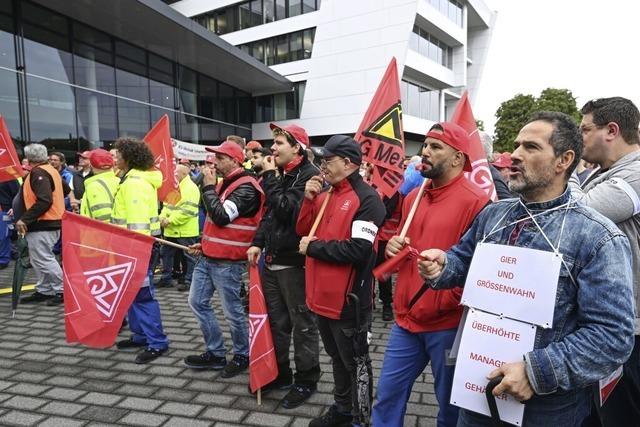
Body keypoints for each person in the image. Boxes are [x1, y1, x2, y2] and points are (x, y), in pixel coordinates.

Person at [417, 111, 635, 426]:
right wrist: (443, 266)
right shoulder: (494, 215)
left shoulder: (598, 237)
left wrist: (536, 371)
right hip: (477, 390)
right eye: (517, 145)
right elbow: (463, 259)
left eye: (531, 147)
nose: (515, 155)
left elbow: (612, 337)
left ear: (564, 160)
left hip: (545, 411)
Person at [372, 122, 490, 427]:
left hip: (448, 324)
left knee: (450, 406)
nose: (425, 152)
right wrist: (392, 249)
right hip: (406, 320)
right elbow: (402, 252)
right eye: (425, 145)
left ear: (457, 159)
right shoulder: (414, 197)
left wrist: (447, 291)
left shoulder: (478, 202)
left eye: (435, 147)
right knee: (387, 396)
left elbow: (482, 267)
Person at [296, 135, 385, 427]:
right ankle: (342, 409)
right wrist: (308, 200)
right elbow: (303, 229)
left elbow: (359, 250)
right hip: (320, 297)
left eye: (327, 160)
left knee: (356, 363)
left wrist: (315, 248)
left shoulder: (368, 199)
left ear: (348, 163)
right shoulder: (326, 194)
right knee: (336, 358)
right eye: (321, 160)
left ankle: (361, 418)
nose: (322, 166)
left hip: (349, 302)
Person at [571, 97, 640, 427]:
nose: (579, 136)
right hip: (606, 322)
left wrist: (564, 164)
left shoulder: (637, 172)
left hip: (631, 330)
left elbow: (579, 211)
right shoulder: (607, 172)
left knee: (621, 415)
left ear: (611, 130)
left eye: (584, 129)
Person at [246, 123, 321, 408]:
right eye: (274, 143)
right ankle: (280, 372)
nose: (273, 148)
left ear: (297, 148)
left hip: (295, 264)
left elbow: (288, 210)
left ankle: (307, 378)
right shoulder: (282, 174)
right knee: (277, 323)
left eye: (278, 143)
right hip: (273, 260)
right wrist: (258, 242)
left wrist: (268, 177)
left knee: (302, 324)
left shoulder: (310, 176)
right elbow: (270, 214)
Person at [184, 140, 264, 379]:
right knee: (197, 302)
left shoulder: (247, 187)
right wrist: (205, 243)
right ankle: (216, 352)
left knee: (233, 312)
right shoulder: (225, 184)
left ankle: (242, 355)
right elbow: (217, 225)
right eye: (214, 158)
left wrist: (207, 188)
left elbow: (220, 217)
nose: (213, 163)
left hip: (228, 263)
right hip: (209, 257)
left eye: (219, 158)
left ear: (235, 160)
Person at [111, 137, 169, 364]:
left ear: (129, 157)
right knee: (132, 295)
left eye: (117, 154)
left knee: (143, 296)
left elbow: (136, 224)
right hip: (132, 246)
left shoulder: (134, 183)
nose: (113, 158)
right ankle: (141, 335)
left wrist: (134, 250)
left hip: (136, 248)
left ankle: (157, 342)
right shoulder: (129, 180)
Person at [16, 144, 73, 306]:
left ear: (30, 158)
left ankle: (62, 290)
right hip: (49, 222)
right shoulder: (51, 170)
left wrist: (25, 219)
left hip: (43, 222)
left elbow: (44, 200)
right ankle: (45, 289)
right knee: (39, 258)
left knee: (44, 258)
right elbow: (66, 189)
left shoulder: (38, 172)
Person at [157, 163, 200, 292]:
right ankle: (166, 278)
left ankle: (188, 281)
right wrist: (162, 218)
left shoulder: (191, 188)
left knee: (189, 258)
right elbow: (167, 206)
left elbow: (187, 211)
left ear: (184, 174)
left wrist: (168, 220)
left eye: (176, 173)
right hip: (172, 229)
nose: (173, 175)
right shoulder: (176, 187)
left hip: (185, 231)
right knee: (166, 254)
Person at [79, 149, 119, 222]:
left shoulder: (94, 186)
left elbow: (103, 218)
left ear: (91, 165)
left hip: (96, 232)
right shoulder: (119, 181)